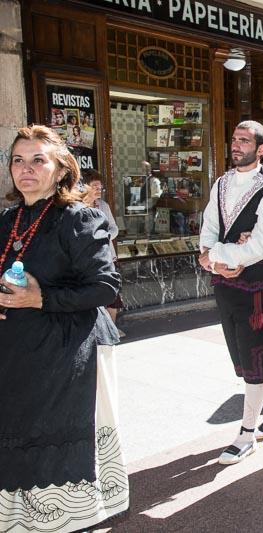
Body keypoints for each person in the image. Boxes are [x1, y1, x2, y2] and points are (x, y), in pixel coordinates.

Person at [0, 125, 127, 531]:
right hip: (16, 349)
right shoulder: (8, 219)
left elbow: (105, 287)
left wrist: (42, 298)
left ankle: (69, 519)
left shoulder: (79, 219)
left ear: (61, 170)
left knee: (57, 433)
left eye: (38, 160)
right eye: (18, 160)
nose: (26, 169)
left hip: (69, 351)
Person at [198, 121, 263, 464]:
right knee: (241, 359)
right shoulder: (221, 183)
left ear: (261, 149)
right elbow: (209, 225)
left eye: (244, 141)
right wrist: (213, 261)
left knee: (256, 360)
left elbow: (262, 246)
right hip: (225, 284)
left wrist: (218, 255)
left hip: (257, 287)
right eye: (234, 139)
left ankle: (247, 434)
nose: (236, 145)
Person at [85, 170, 124, 326]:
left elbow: (114, 228)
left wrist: (104, 236)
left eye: (100, 187)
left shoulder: (103, 206)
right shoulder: (77, 207)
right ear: (85, 187)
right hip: (87, 261)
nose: (98, 190)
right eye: (95, 186)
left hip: (106, 256)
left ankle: (112, 331)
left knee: (112, 298)